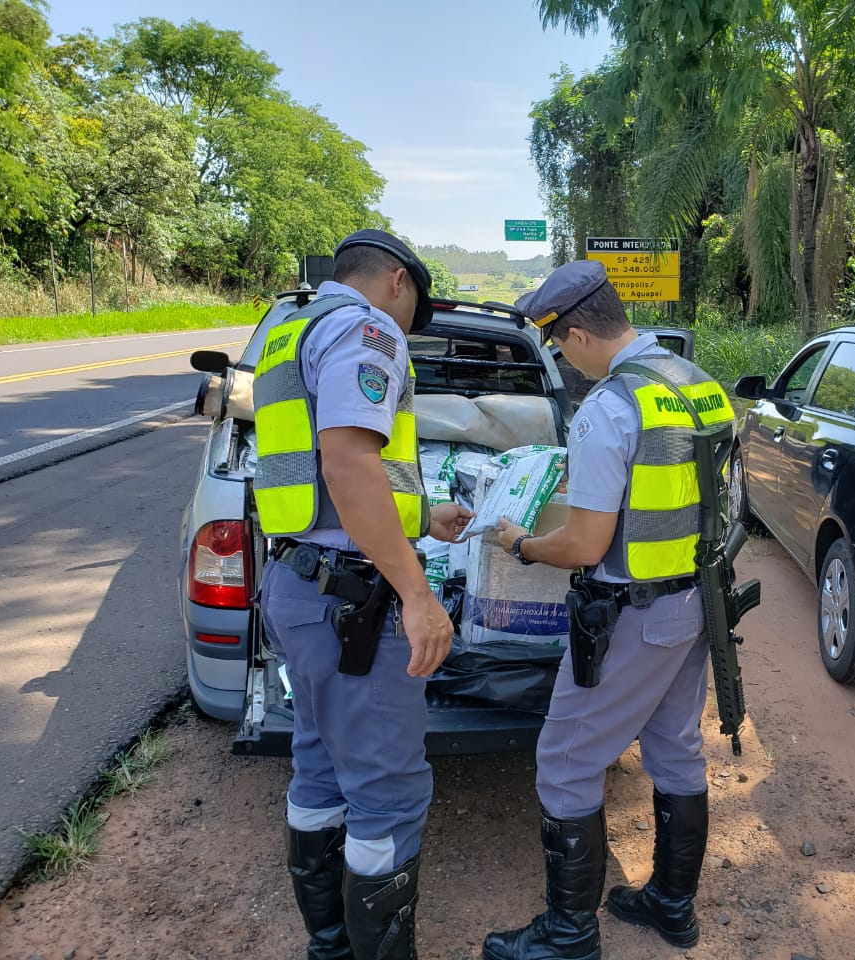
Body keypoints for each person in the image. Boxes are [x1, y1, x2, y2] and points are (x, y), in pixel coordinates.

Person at [483, 260, 735, 960]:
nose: (563, 361)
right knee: (677, 748)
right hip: (695, 605)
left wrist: (522, 544)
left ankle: (569, 935)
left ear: (576, 334)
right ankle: (671, 906)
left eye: (559, 347)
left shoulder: (608, 407)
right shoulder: (696, 386)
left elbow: (587, 543)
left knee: (565, 761)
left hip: (634, 614)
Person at [253, 229, 473, 960]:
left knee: (318, 771)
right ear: (396, 281)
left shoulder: (290, 333)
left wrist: (421, 516)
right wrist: (416, 592)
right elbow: (349, 468)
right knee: (387, 795)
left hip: (296, 587)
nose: (409, 327)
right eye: (415, 310)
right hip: (354, 607)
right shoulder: (369, 328)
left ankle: (330, 947)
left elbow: (319, 484)